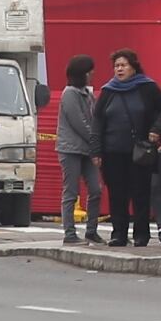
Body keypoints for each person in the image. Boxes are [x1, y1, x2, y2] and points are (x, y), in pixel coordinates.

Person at [95, 49, 161, 248]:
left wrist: (156, 128)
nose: (119, 69)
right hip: (112, 152)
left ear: (133, 67)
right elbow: (97, 121)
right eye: (116, 66)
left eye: (123, 65)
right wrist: (96, 150)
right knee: (117, 194)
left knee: (140, 193)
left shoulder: (147, 87)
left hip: (139, 152)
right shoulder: (108, 91)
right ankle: (119, 234)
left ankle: (141, 234)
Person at [54, 54, 100, 244]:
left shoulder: (87, 94)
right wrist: (95, 141)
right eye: (90, 72)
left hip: (87, 149)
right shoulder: (70, 94)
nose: (92, 75)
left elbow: (94, 118)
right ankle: (69, 233)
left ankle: (92, 230)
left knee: (96, 189)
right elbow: (79, 122)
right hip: (71, 149)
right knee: (71, 191)